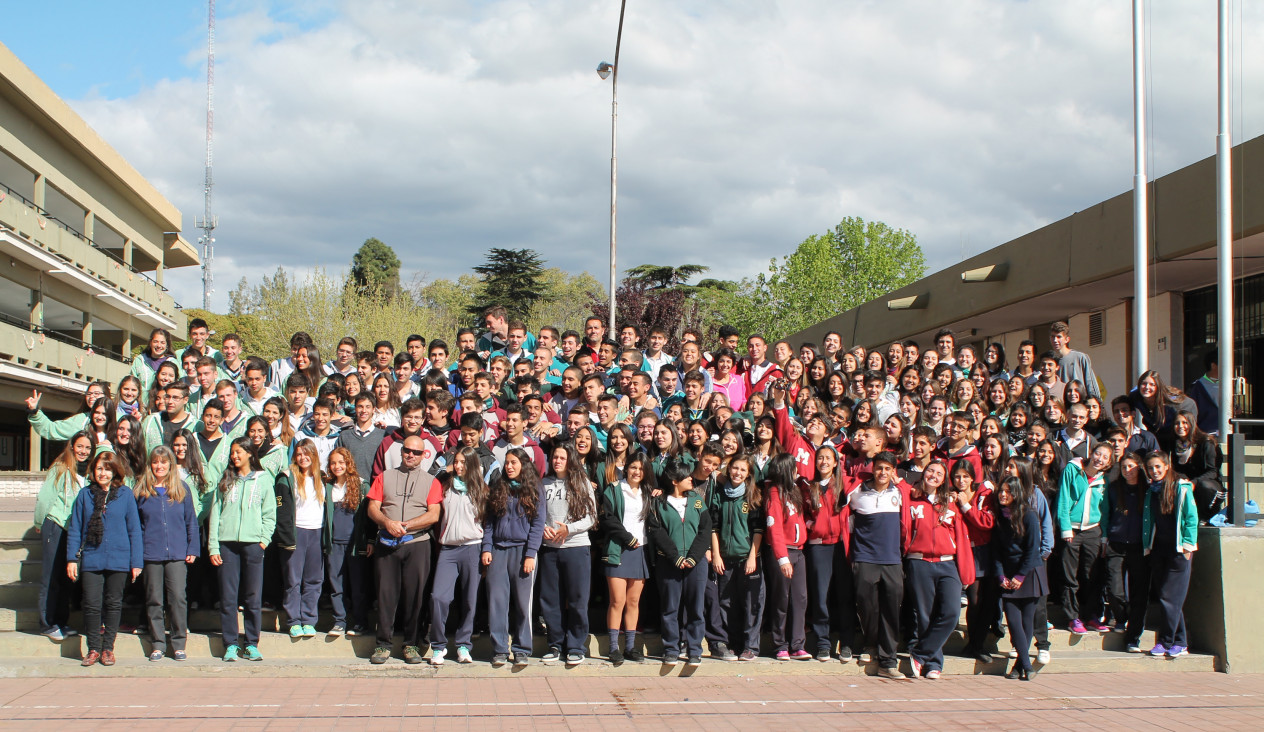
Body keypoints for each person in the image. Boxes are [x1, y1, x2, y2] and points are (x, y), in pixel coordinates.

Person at [366, 435, 443, 665]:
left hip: (417, 544)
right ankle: (383, 645)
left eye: (416, 452)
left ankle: (411, 644)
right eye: (407, 450)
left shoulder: (431, 481)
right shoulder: (384, 477)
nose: (411, 455)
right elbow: (372, 507)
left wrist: (408, 525)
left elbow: (434, 514)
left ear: (423, 455)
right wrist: (387, 522)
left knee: (415, 596)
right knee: (385, 595)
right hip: (387, 543)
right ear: (401, 451)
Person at [65, 451, 143, 667]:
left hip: (119, 558)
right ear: (93, 470)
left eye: (107, 468)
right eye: (99, 468)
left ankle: (108, 648)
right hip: (92, 557)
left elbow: (134, 529)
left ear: (115, 471)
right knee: (91, 604)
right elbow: (75, 529)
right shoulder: (85, 495)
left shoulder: (125, 494)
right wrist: (72, 559)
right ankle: (93, 648)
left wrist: (136, 562)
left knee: (113, 603)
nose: (103, 473)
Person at [903, 459, 975, 680]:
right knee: (924, 617)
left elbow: (961, 537)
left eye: (939, 473)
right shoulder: (910, 498)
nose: (933, 475)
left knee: (951, 613)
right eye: (930, 471)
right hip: (919, 562)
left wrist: (965, 569)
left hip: (947, 563)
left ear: (944, 480)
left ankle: (920, 654)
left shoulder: (950, 503)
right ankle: (933, 663)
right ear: (923, 473)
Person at [839, 451, 907, 679]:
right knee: (868, 608)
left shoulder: (900, 492)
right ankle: (870, 645)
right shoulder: (857, 492)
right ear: (873, 468)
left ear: (893, 471)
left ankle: (888, 661)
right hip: (865, 558)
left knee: (891, 611)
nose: (883, 472)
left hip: (892, 560)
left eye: (888, 469)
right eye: (880, 468)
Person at [209, 437, 277, 662]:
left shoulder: (264, 479)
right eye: (232, 452)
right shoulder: (226, 478)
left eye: (239, 452)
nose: (234, 456)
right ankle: (230, 644)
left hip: (253, 545)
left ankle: (251, 643)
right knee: (228, 597)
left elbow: (270, 514)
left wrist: (263, 540)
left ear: (250, 453)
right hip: (227, 544)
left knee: (252, 596)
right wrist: (213, 545)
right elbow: (215, 513)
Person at [133, 446, 199, 662]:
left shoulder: (181, 489)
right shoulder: (142, 491)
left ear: (171, 464)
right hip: (151, 552)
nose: (159, 466)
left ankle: (179, 643)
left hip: (178, 553)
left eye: (163, 462)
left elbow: (191, 521)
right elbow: (136, 526)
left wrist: (192, 548)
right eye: (155, 462)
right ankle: (158, 643)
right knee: (154, 600)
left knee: (178, 598)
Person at [482, 448, 546, 668]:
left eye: (514, 463)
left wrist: (531, 554)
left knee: (522, 603)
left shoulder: (534, 489)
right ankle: (499, 649)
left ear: (523, 465)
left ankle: (521, 649)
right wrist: (486, 548)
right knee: (497, 602)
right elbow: (489, 521)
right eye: (507, 463)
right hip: (498, 550)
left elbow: (538, 525)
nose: (509, 467)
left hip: (522, 552)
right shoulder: (499, 487)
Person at [647, 460, 713, 668]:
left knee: (695, 607)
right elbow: (657, 532)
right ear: (675, 481)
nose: (691, 479)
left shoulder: (697, 500)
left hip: (696, 563)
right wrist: (675, 556)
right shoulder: (658, 503)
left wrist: (693, 557)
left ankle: (694, 649)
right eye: (686, 477)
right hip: (669, 563)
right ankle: (671, 649)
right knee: (670, 608)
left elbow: (705, 529)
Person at [538, 443, 597, 666]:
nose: (558, 461)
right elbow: (537, 514)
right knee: (551, 600)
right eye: (555, 457)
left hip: (576, 547)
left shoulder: (581, 482)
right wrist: (544, 527)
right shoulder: (543, 483)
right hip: (550, 550)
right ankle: (555, 644)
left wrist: (568, 529)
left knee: (577, 599)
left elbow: (591, 517)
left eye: (562, 457)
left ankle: (575, 646)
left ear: (570, 460)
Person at [428, 447, 488, 666]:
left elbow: (487, 523)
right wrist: (445, 470)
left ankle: (463, 644)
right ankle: (438, 646)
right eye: (457, 461)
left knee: (470, 600)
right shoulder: (445, 486)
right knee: (439, 597)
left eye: (464, 462)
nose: (459, 465)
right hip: (448, 550)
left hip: (473, 548)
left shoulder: (482, 490)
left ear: (472, 464)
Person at [33, 431, 94, 641]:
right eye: (79, 446)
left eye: (87, 448)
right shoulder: (60, 468)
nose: (83, 451)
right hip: (55, 524)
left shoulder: (88, 474)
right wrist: (39, 522)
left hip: (74, 530)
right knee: (51, 576)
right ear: (71, 446)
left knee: (67, 578)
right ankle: (47, 623)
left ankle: (61, 621)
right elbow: (45, 498)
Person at [598, 452, 655, 665]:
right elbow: (608, 519)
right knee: (617, 601)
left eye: (641, 469)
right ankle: (613, 648)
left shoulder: (648, 493)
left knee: (633, 601)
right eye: (633, 467)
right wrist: (627, 538)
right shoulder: (613, 489)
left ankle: (630, 647)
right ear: (626, 468)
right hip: (618, 549)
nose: (636, 472)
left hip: (641, 551)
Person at [1142, 451, 1199, 659]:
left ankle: (1165, 641)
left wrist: (1187, 546)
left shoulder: (1181, 488)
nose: (1155, 471)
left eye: (1158, 467)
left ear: (1167, 466)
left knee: (1169, 598)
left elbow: (1191, 518)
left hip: (1179, 551)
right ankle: (1181, 642)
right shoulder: (1151, 491)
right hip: (1159, 550)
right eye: (1150, 468)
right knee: (1171, 600)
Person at [991, 476, 1045, 680]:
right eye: (1001, 491)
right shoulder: (999, 517)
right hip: (1007, 575)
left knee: (1026, 622)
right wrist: (1001, 575)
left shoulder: (1029, 515)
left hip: (1029, 573)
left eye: (1008, 491)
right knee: (1013, 622)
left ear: (1017, 493)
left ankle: (1018, 667)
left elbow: (1032, 549)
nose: (1003, 494)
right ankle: (1027, 666)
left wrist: (1020, 576)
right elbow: (996, 551)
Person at [1057, 443, 1113, 634]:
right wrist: (1065, 528)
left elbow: (1104, 511)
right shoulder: (1073, 469)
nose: (1100, 459)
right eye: (1098, 453)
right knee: (1069, 575)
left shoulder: (1103, 480)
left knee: (1092, 575)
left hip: (1093, 531)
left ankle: (1090, 616)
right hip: (1071, 529)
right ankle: (1072, 617)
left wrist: (1104, 536)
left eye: (1105, 457)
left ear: (1108, 463)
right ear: (1092, 453)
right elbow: (1063, 500)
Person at [763, 453, 809, 662]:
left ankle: (798, 644)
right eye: (793, 468)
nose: (797, 471)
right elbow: (775, 528)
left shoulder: (794, 491)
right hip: (783, 552)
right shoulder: (774, 493)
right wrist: (782, 558)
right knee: (782, 598)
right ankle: (780, 644)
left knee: (800, 599)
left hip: (799, 552)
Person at [1105, 452, 1150, 652]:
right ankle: (1122, 617)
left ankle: (1133, 637)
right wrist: (1105, 537)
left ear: (1139, 467)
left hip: (1140, 546)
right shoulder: (1114, 488)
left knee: (1139, 593)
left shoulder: (1148, 489)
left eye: (1131, 466)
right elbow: (1106, 512)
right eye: (1124, 467)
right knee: (1114, 588)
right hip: (1116, 543)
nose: (1128, 471)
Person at [322, 447, 369, 636]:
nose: (337, 466)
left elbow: (367, 518)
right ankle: (339, 621)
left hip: (354, 545)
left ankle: (360, 622)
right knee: (336, 585)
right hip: (334, 543)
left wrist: (368, 541)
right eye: (333, 463)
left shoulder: (360, 485)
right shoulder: (327, 486)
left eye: (341, 462)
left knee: (358, 585)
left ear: (349, 463)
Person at [283, 440, 325, 639]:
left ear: (314, 455)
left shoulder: (323, 478)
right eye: (299, 454)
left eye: (306, 454)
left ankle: (309, 619)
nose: (303, 458)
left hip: (317, 531)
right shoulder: (289, 476)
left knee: (314, 579)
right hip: (297, 531)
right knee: (294, 579)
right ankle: (294, 620)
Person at [1049, 321, 1100, 398]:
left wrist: (1095, 403)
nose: (1055, 340)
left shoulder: (1080, 358)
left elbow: (1091, 385)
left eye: (1059, 337)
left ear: (1067, 339)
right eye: (1053, 337)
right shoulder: (1050, 361)